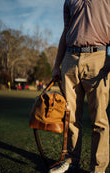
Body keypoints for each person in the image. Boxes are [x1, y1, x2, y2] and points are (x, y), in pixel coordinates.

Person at [49, 0, 110, 173]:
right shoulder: (68, 1)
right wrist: (57, 65)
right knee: (71, 118)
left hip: (98, 57)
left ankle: (97, 169)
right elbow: (65, 30)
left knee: (99, 120)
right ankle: (71, 162)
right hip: (70, 58)